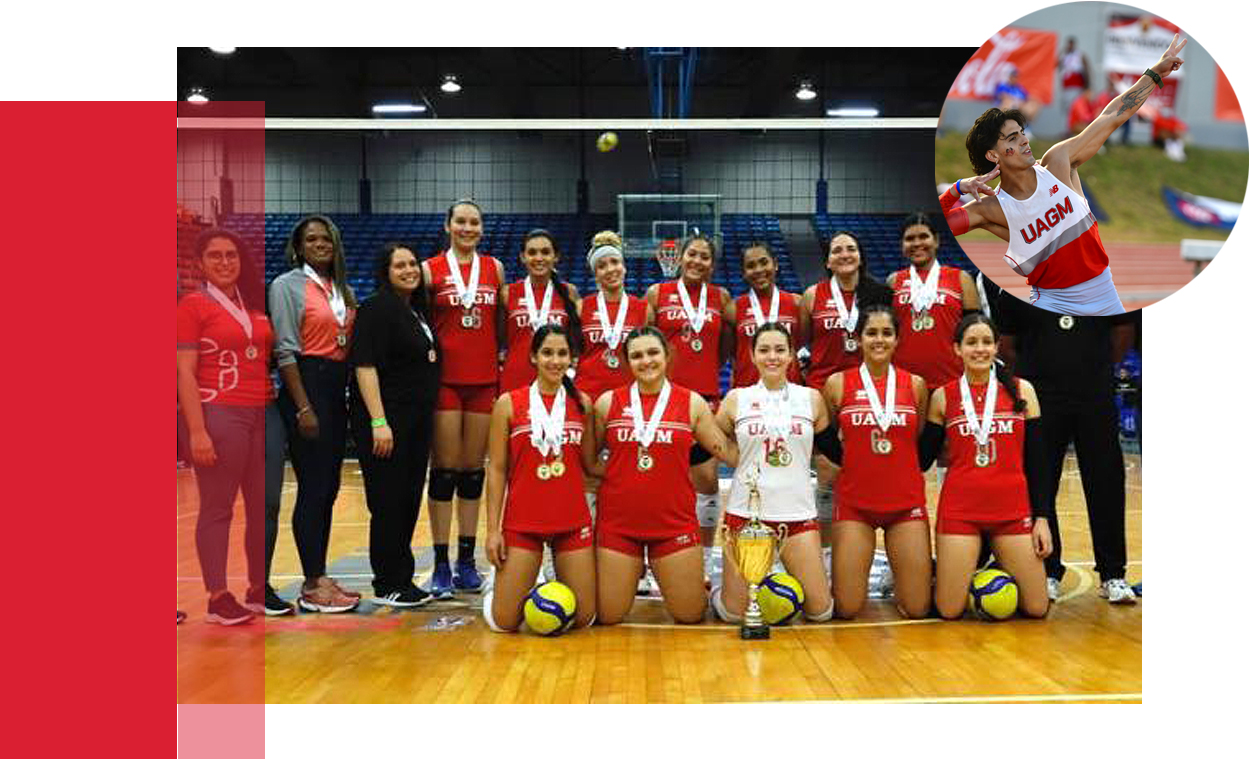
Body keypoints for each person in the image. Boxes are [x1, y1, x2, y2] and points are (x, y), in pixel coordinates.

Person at [941, 34, 1187, 315]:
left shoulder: (1058, 163)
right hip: (1051, 306)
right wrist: (958, 188)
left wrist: (1155, 74)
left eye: (1022, 133)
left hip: (1106, 298)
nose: (1024, 140)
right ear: (992, 155)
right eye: (1012, 138)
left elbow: (1112, 115)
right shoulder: (990, 208)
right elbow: (932, 223)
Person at [994, 298, 1137, 604]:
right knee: (1041, 483)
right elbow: (1006, 345)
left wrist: (1091, 370)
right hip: (1043, 397)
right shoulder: (1021, 286)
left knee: (1106, 484)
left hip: (1094, 395)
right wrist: (1041, 377)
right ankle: (1047, 571)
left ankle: (1113, 574)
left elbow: (1123, 331)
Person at [592, 327, 736, 625]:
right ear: (627, 361)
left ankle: (715, 590)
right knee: (609, 615)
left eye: (653, 353)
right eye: (637, 355)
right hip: (618, 526)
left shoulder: (692, 402)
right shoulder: (607, 403)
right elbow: (587, 461)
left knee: (690, 615)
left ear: (667, 355)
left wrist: (772, 448)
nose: (646, 361)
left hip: (673, 525)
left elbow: (726, 452)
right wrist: (622, 476)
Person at [922, 314, 1051, 620]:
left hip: (1011, 511)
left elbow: (1039, 463)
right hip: (961, 512)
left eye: (986, 342)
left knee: (1037, 608)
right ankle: (973, 571)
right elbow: (921, 458)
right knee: (950, 610)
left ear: (996, 347)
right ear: (957, 349)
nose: (979, 349)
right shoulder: (943, 396)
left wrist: (1042, 518)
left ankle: (996, 568)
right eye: (971, 342)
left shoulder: (1023, 391)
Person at [176, 228, 272, 625]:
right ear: (200, 263)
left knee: (261, 505)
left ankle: (256, 587)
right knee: (218, 508)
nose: (224, 262)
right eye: (214, 256)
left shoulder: (252, 306)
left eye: (231, 254)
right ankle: (218, 596)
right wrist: (196, 431)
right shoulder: (192, 306)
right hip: (219, 411)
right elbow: (183, 371)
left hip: (260, 412)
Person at [712, 322, 834, 623]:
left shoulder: (811, 399)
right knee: (732, 614)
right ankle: (720, 590)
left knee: (821, 612)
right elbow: (711, 444)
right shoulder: (736, 399)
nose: (772, 357)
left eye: (780, 350)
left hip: (797, 516)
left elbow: (830, 453)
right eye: (764, 350)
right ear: (752, 356)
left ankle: (770, 581)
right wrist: (735, 458)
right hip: (746, 517)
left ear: (792, 355)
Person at [270, 215, 360, 613]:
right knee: (312, 489)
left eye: (327, 238)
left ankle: (320, 574)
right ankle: (310, 584)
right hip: (306, 388)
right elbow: (285, 351)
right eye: (312, 239)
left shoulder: (342, 289)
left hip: (334, 389)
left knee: (329, 489)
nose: (320, 244)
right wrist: (303, 406)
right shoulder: (286, 286)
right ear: (299, 246)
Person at [482, 324, 598, 632]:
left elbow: (590, 466)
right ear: (533, 356)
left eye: (562, 354)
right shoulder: (508, 403)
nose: (555, 361)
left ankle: (543, 587)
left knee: (584, 619)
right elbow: (496, 469)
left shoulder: (583, 404)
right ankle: (499, 588)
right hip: (523, 523)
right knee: (504, 622)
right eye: (547, 353)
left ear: (572, 359)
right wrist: (493, 531)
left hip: (572, 521)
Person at [822, 305, 931, 619]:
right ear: (858, 339)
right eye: (871, 333)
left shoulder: (916, 385)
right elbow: (828, 437)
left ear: (898, 339)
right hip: (856, 505)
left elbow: (917, 438)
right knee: (847, 608)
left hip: (905, 503)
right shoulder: (837, 384)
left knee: (917, 608)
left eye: (887, 333)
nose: (879, 340)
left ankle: (910, 577)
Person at [421, 199, 506, 598]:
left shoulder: (495, 269)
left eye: (474, 222)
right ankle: (439, 562)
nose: (467, 228)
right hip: (445, 382)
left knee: (474, 471)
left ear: (482, 229)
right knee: (445, 470)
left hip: (484, 380)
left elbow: (501, 327)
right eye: (461, 221)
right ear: (448, 225)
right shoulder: (429, 270)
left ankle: (466, 561)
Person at [348, 243, 441, 607]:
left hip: (415, 421)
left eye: (412, 264)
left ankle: (402, 576)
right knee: (387, 501)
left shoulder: (415, 309)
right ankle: (387, 581)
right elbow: (365, 365)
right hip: (387, 421)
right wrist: (378, 421)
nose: (408, 270)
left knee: (406, 498)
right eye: (399, 265)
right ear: (385, 272)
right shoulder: (376, 308)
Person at [646, 234, 733, 576]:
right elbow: (646, 343)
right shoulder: (657, 294)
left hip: (706, 401)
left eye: (704, 257)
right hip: (665, 400)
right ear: (679, 258)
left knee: (706, 481)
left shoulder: (720, 297)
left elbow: (725, 347)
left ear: (712, 264)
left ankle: (705, 556)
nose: (697, 261)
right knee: (659, 481)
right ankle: (655, 555)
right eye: (692, 255)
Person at [801, 231, 893, 547]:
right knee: (827, 471)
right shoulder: (813, 295)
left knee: (866, 470)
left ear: (860, 255)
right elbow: (803, 339)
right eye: (837, 250)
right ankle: (826, 553)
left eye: (851, 248)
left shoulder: (880, 293)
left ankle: (861, 543)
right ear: (828, 260)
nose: (844, 254)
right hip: (823, 390)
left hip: (867, 391)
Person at [886, 212, 979, 390]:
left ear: (936, 241)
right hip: (903, 384)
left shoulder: (961, 278)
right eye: (909, 239)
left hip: (951, 381)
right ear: (902, 245)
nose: (917, 243)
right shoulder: (893, 281)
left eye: (923, 237)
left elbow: (975, 334)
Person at [499, 230, 581, 394]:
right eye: (532, 252)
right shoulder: (508, 293)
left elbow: (575, 338)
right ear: (523, 257)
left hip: (556, 379)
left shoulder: (569, 292)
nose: (539, 258)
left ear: (555, 256)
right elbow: (500, 338)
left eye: (545, 252)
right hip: (516, 378)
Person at [577, 230, 652, 403]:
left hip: (630, 396)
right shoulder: (582, 307)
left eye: (615, 262)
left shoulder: (643, 309)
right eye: (602, 266)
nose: (610, 269)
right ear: (595, 275)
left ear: (624, 267)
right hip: (588, 394)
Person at [730, 241, 805, 388]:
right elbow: (732, 353)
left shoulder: (797, 303)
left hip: (790, 392)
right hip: (748, 392)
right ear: (744, 273)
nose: (758, 270)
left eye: (764, 262)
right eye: (751, 266)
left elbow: (802, 344)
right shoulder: (733, 308)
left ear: (775, 264)